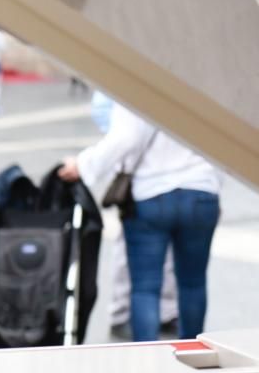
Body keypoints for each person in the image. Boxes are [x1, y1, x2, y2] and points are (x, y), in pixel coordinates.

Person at [59, 103, 221, 342]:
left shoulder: (145, 80)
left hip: (151, 193)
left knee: (146, 287)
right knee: (193, 284)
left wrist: (83, 165)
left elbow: (127, 136)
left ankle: (148, 363)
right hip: (201, 190)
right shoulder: (203, 81)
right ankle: (194, 355)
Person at [89, 91, 178, 337]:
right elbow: (110, 122)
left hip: (159, 179)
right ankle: (123, 312)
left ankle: (163, 313)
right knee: (133, 258)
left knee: (153, 267)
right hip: (143, 177)